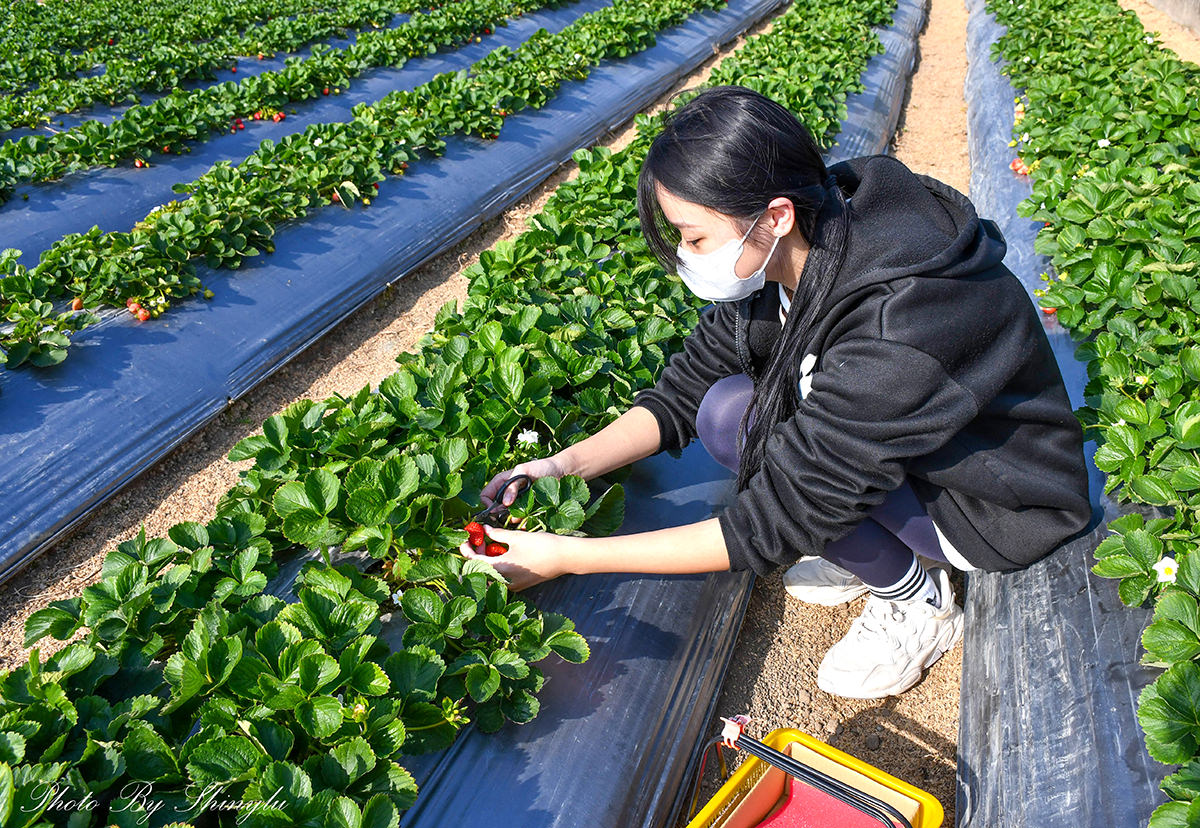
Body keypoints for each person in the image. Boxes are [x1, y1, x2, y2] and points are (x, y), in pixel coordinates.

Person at [460, 85, 1091, 699]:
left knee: (772, 451)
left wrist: (569, 555)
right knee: (726, 411)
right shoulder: (792, 247)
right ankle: (874, 548)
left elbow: (783, 514)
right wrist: (562, 465)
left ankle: (918, 597)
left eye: (695, 236)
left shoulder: (903, 313)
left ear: (775, 216)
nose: (685, 254)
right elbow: (688, 389)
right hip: (900, 453)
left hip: (991, 503)